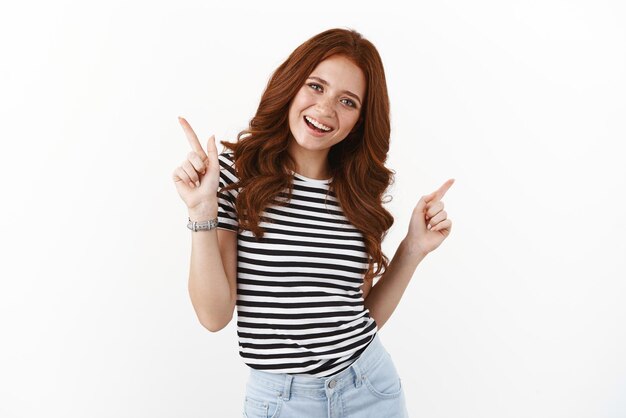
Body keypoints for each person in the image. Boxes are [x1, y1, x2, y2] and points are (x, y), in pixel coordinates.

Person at [173, 27, 454, 418]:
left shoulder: (357, 193)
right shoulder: (234, 175)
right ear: (291, 84)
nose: (325, 110)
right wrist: (201, 213)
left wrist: (412, 249)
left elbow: (360, 316)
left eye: (347, 101)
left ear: (359, 120)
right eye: (316, 87)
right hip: (282, 401)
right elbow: (214, 316)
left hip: (370, 388)